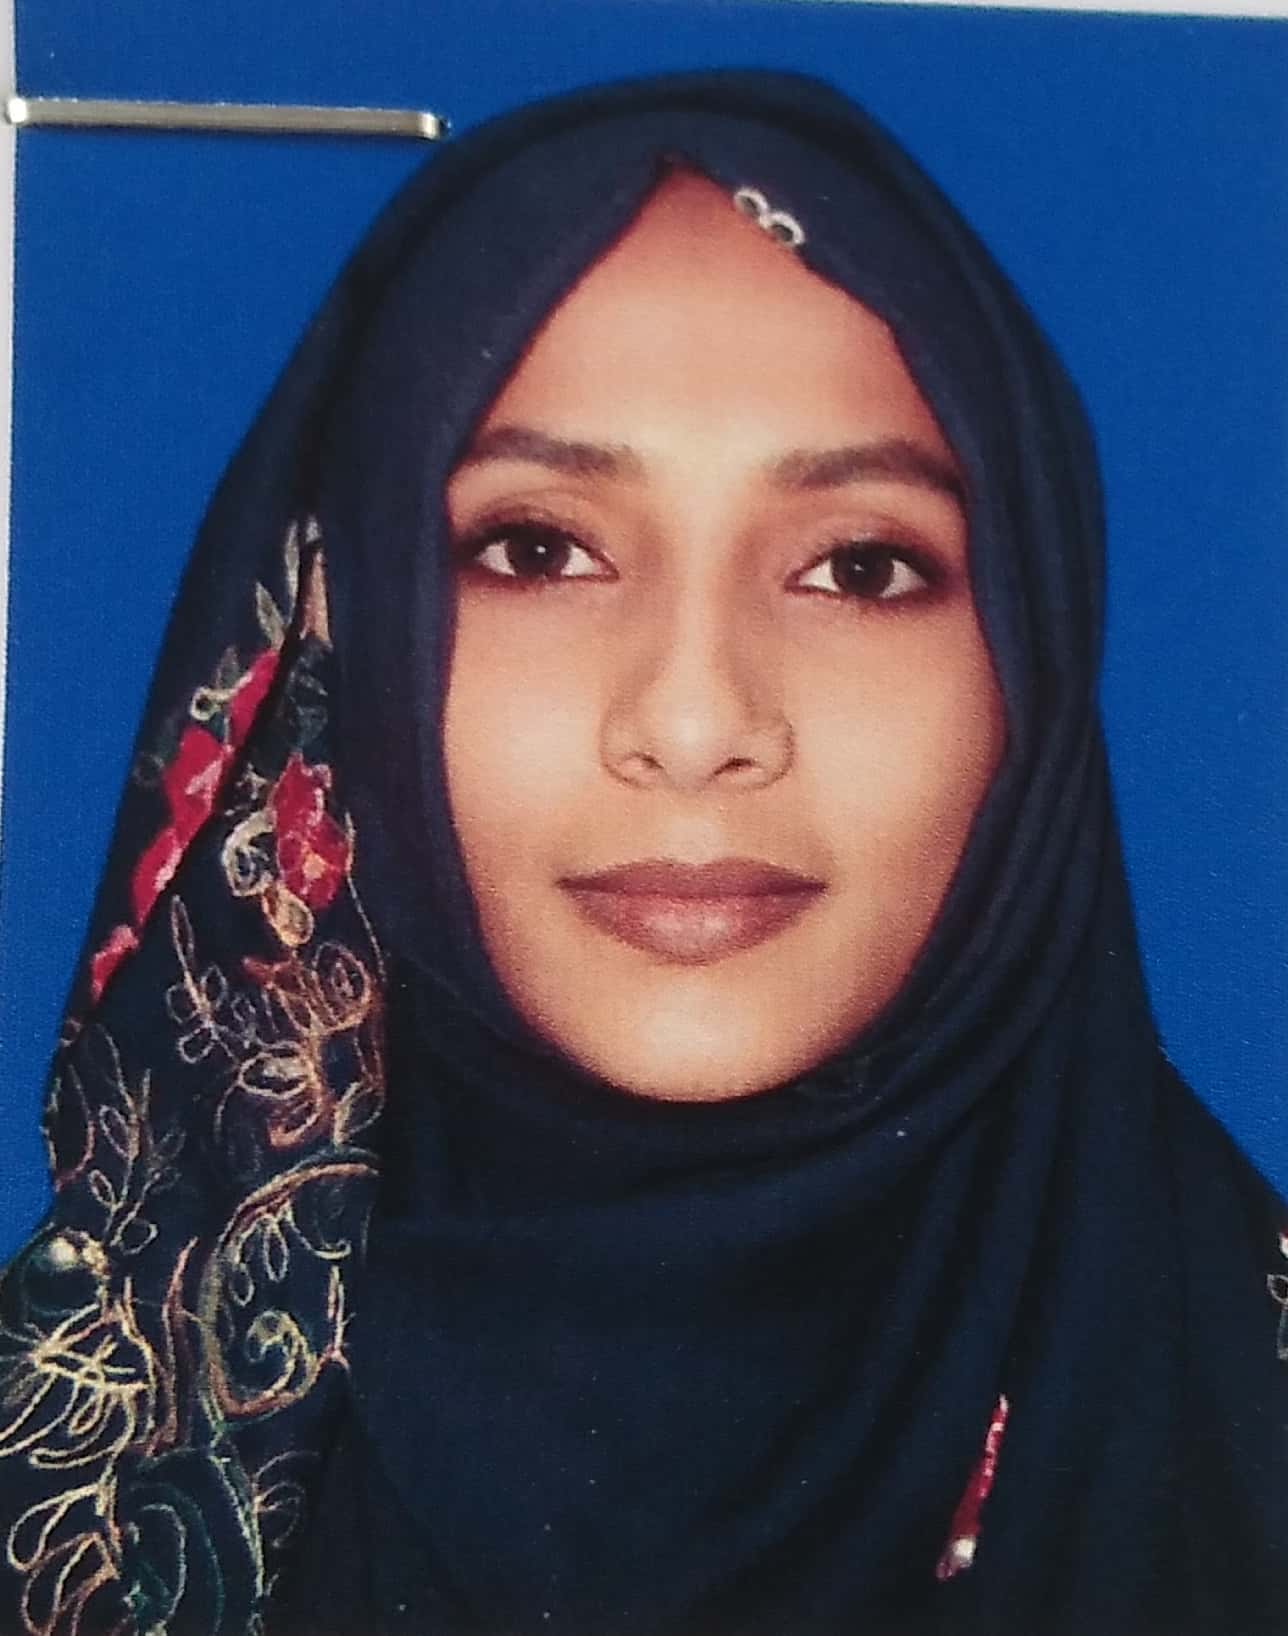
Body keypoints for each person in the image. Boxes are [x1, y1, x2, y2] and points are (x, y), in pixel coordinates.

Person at [0, 69, 1282, 1636]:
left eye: (859, 567)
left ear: (1032, 661)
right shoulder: (74, 1475)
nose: (692, 724)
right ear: (352, 630)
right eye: (539, 549)